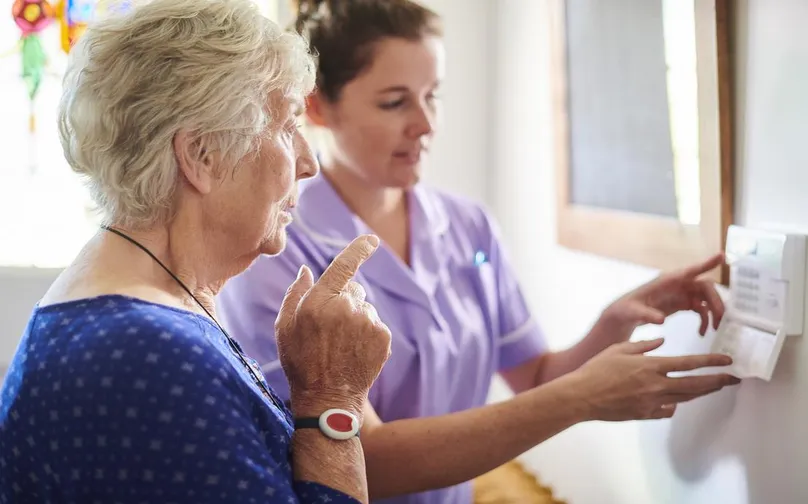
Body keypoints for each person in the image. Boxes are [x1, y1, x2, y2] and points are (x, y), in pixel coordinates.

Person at [216, 1, 740, 503]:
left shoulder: (470, 226)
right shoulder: (277, 249)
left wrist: (614, 322)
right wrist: (581, 398)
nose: (425, 124)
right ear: (317, 108)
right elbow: (361, 457)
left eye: (433, 96)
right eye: (395, 102)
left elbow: (533, 379)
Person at [0, 0, 393, 502]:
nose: (308, 162)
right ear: (202, 155)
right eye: (288, 125)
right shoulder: (148, 353)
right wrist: (331, 397)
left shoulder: (140, 311)